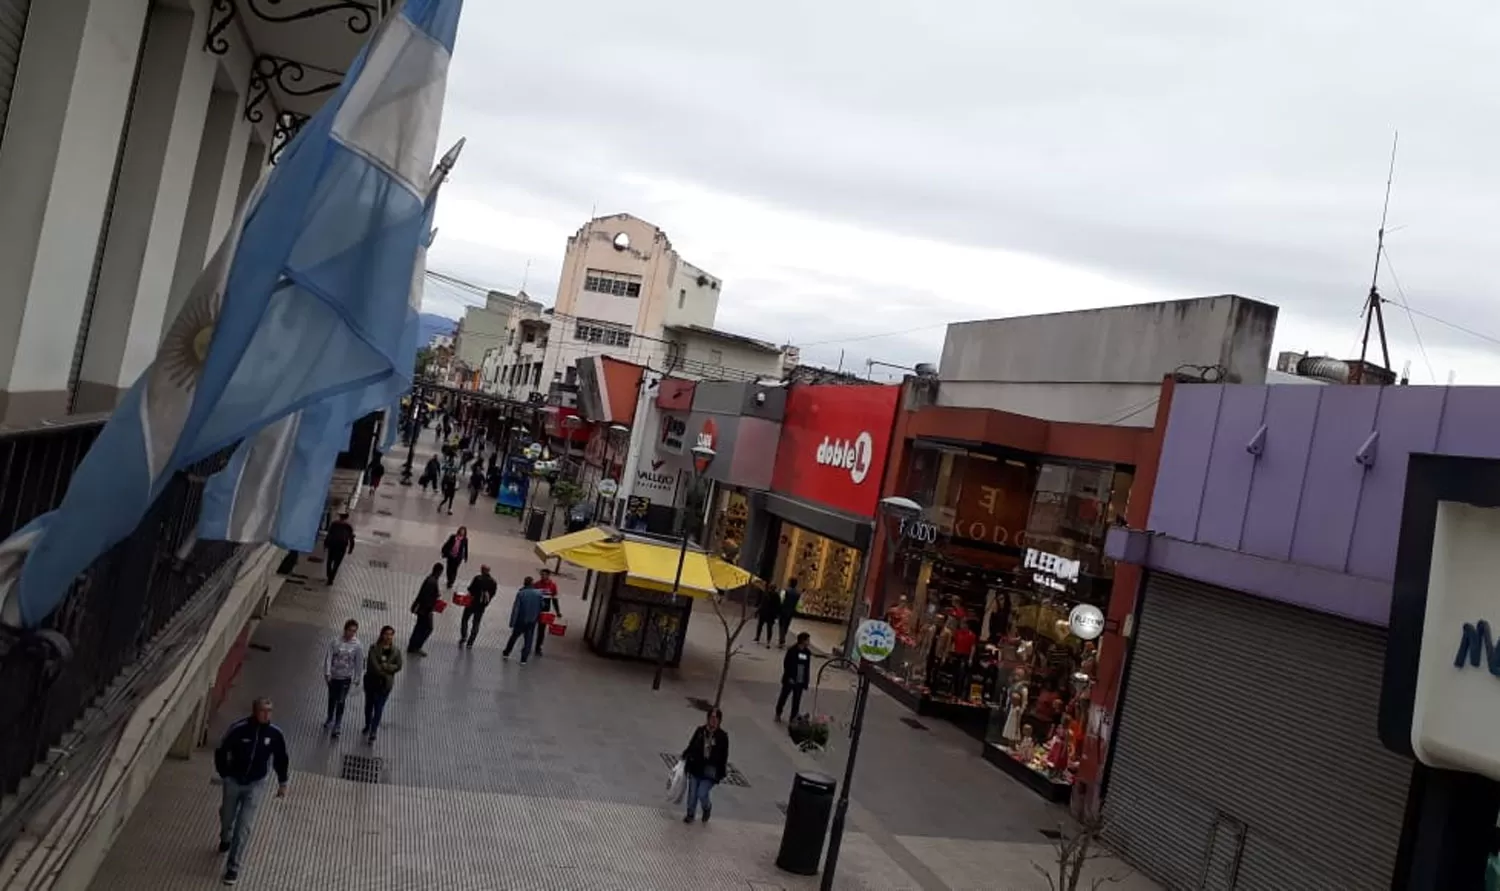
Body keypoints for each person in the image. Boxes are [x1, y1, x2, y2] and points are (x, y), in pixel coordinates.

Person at [213, 698, 289, 885]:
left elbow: (281, 758)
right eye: (263, 711)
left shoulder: (275, 734)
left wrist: (282, 782)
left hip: (256, 783)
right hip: (233, 781)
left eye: (269, 711)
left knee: (244, 826)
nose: (267, 715)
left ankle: (233, 867)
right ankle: (225, 836)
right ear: (255, 711)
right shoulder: (238, 729)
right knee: (227, 815)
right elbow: (222, 750)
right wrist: (225, 773)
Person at [680, 707, 729, 824]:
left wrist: (720, 773)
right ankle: (690, 814)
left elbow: (724, 756)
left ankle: (707, 807)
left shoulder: (722, 737)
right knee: (692, 793)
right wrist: (685, 756)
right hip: (695, 767)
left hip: (709, 772)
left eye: (716, 718)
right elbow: (691, 745)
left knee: (701, 793)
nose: (713, 720)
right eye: (711, 717)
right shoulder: (700, 731)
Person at [323, 619, 364, 738]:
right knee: (332, 699)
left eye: (354, 631)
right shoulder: (335, 642)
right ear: (345, 629)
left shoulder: (357, 645)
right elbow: (329, 657)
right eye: (350, 630)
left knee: (341, 700)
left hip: (345, 678)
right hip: (334, 676)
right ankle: (330, 717)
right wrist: (327, 672)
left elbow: (359, 662)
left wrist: (357, 677)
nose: (351, 633)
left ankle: (337, 724)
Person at [363, 626, 403, 742]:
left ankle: (373, 730)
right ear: (382, 635)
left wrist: (387, 667)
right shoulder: (374, 648)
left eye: (391, 634)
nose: (388, 637)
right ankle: (367, 724)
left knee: (379, 707)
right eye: (386, 634)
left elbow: (399, 666)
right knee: (369, 706)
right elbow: (373, 666)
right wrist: (386, 671)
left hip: (385, 685)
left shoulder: (396, 651)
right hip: (372, 682)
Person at [502, 576, 544, 665]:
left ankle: (507, 652)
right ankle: (524, 658)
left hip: (520, 620)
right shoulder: (538, 594)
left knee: (514, 637)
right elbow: (542, 606)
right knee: (528, 639)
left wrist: (512, 622)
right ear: (532, 583)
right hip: (532, 621)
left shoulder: (521, 593)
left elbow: (516, 609)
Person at [776, 632, 814, 722]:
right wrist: (789, 677)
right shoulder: (792, 650)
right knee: (784, 697)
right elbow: (787, 664)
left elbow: (807, 667)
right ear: (802, 641)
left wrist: (805, 681)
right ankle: (778, 712)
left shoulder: (807, 653)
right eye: (807, 640)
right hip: (790, 679)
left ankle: (793, 717)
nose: (809, 642)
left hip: (800, 680)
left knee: (797, 700)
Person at [407, 562, 443, 656]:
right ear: (439, 572)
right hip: (426, 610)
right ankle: (417, 646)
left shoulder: (430, 579)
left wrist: (415, 605)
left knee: (419, 627)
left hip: (423, 609)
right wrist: (430, 609)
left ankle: (412, 646)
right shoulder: (432, 581)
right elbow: (425, 596)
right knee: (427, 628)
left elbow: (421, 593)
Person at [459, 565, 498, 648]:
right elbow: (493, 594)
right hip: (481, 606)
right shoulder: (493, 582)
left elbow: (470, 589)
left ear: (482, 570)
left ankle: (464, 636)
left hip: (471, 603)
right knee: (476, 622)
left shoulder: (477, 579)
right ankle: (471, 642)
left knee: (465, 619)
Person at [533, 567, 561, 657]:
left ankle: (538, 648)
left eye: (544, 574)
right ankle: (527, 644)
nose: (542, 576)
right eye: (541, 574)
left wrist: (558, 612)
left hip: (545, 611)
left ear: (548, 575)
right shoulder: (536, 584)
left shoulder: (552, 586)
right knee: (530, 628)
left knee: (541, 630)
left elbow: (554, 599)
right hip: (535, 609)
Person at [324, 513, 355, 585]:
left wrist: (325, 543)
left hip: (333, 544)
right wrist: (351, 548)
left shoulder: (334, 524)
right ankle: (331, 578)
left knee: (329, 561)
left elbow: (329, 534)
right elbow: (351, 538)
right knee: (337, 563)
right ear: (347, 518)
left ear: (340, 516)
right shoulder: (348, 526)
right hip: (342, 546)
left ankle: (329, 575)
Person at [777, 578, 802, 647]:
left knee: (781, 625)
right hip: (791, 611)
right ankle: (783, 637)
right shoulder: (798, 593)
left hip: (783, 610)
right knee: (786, 625)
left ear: (790, 583)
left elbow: (781, 600)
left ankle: (781, 639)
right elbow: (799, 604)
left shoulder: (785, 591)